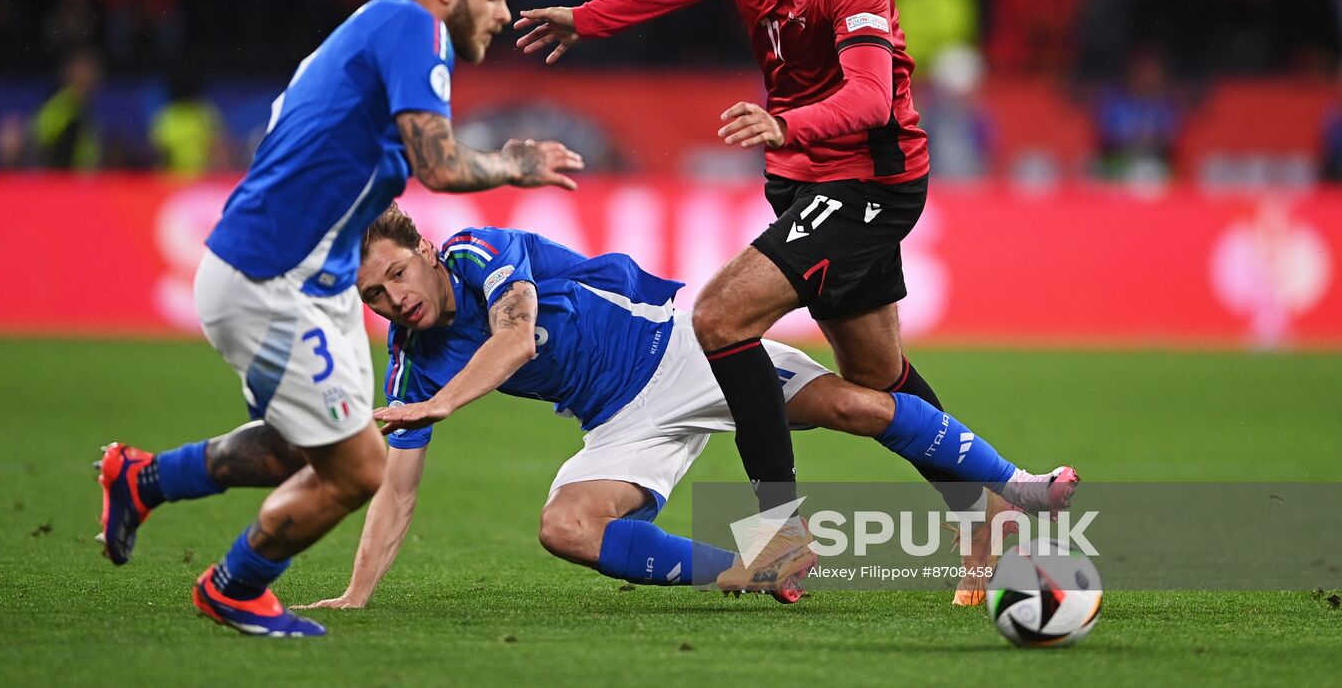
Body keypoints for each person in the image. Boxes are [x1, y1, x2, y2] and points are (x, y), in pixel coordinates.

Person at [516, 0, 970, 597]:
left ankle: (780, 537)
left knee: (723, 317)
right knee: (876, 374)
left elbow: (869, 95)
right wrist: (588, 18)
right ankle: (984, 513)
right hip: (803, 173)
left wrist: (785, 122)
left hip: (866, 179)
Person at [95, 0, 584, 638]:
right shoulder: (413, 27)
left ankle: (144, 479)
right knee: (359, 467)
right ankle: (234, 585)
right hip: (271, 278)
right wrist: (512, 162)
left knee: (313, 447)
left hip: (307, 283)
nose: (505, 13)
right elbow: (440, 165)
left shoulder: (370, 34)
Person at [270, 204, 1075, 608]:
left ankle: (1016, 484)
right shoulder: (411, 358)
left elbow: (515, 338)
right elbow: (397, 486)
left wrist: (443, 403)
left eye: (395, 276)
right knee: (565, 527)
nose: (392, 299)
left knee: (853, 406)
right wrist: (356, 592)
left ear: (423, 249)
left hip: (678, 348)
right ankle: (761, 570)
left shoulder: (481, 252)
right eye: (374, 295)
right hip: (619, 421)